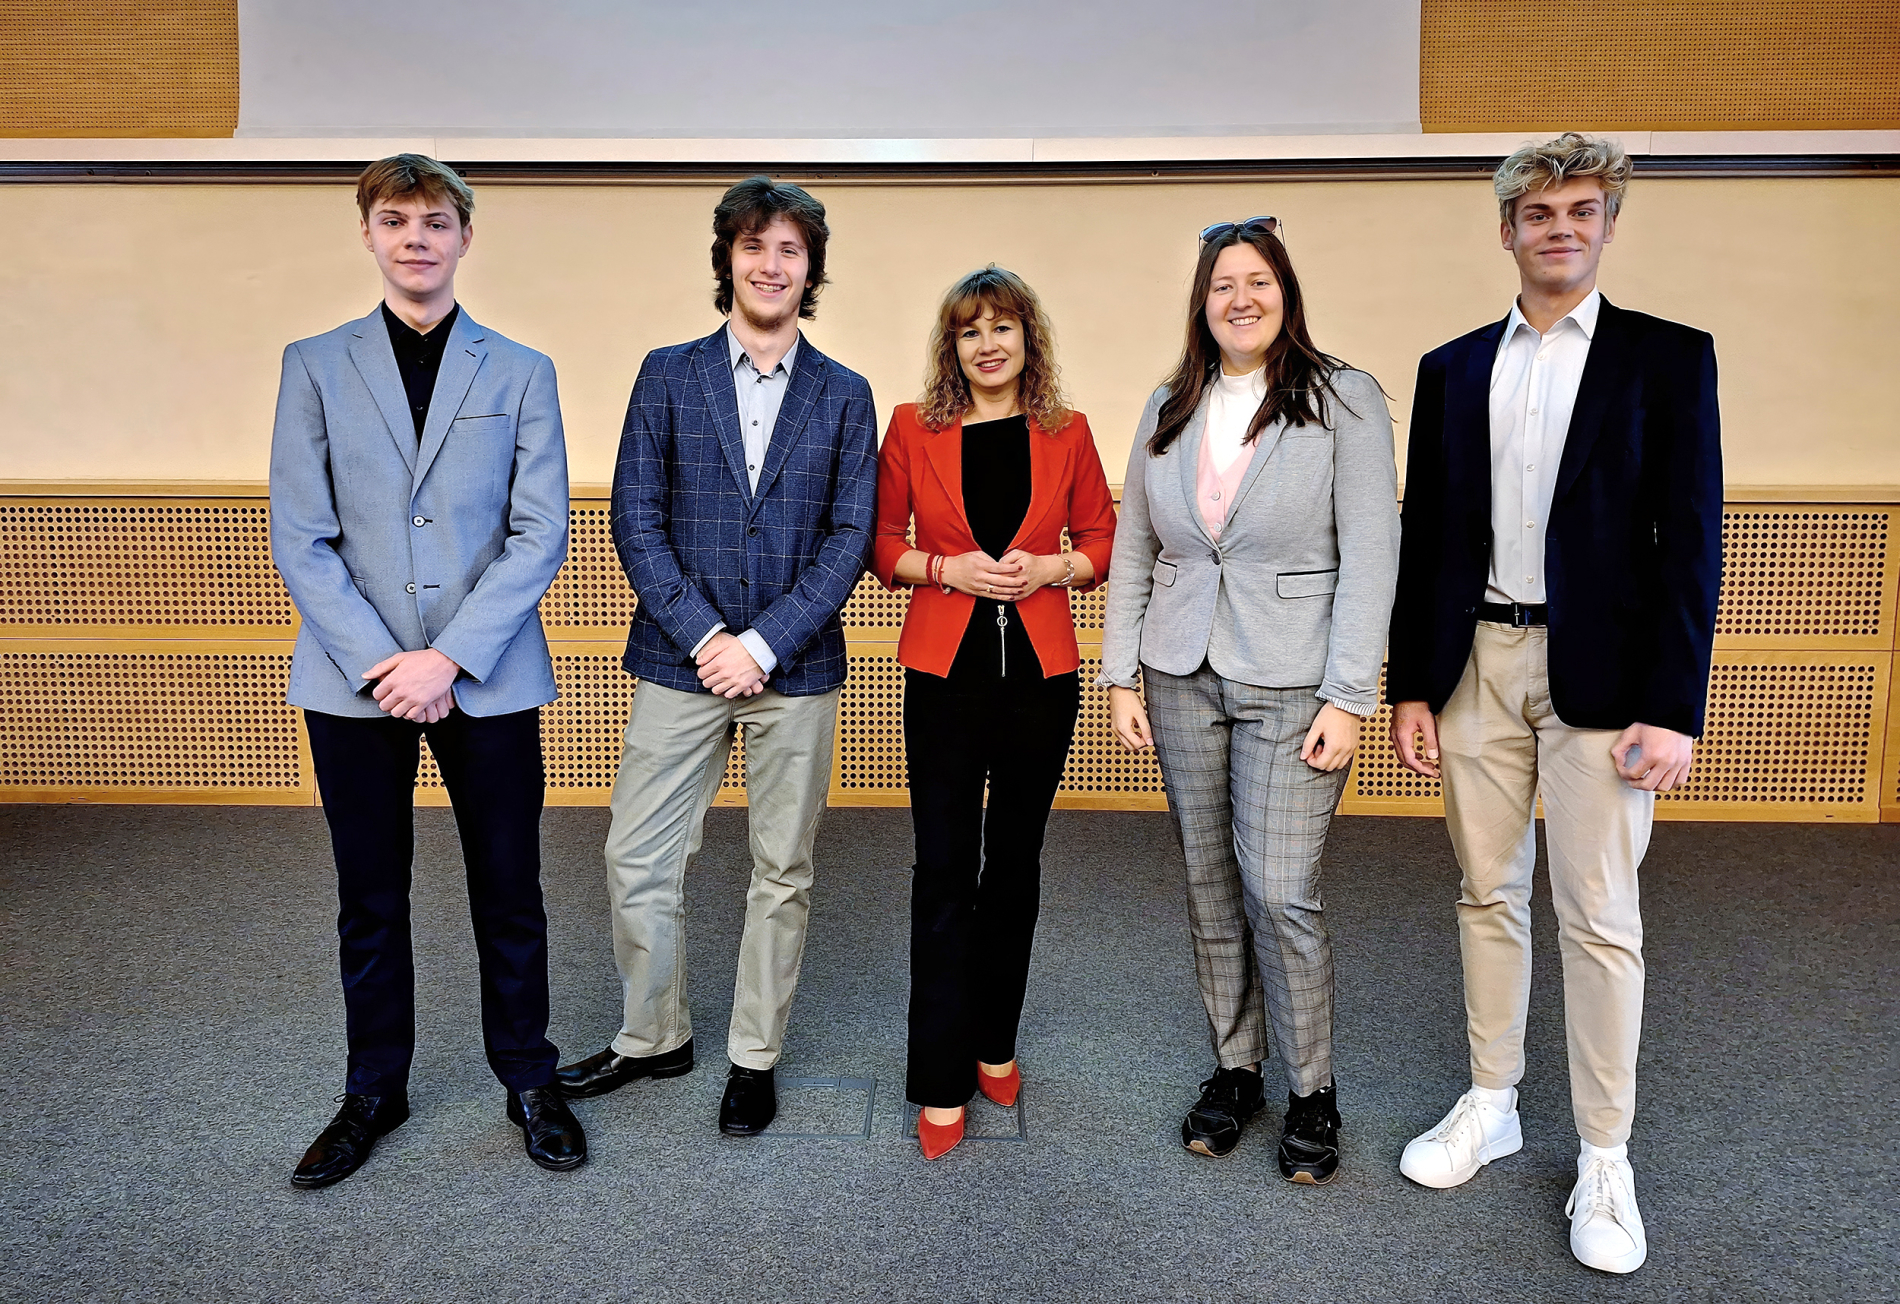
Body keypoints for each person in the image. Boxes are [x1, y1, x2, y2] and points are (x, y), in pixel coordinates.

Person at [1386, 133, 1722, 1275]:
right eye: (1539, 213)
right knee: (1487, 890)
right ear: (1508, 230)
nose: (1561, 227)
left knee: (1597, 916)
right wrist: (1414, 684)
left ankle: (1605, 1153)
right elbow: (1424, 534)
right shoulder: (1451, 366)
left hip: (1607, 686)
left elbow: (1692, 544)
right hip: (1477, 663)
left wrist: (1675, 706)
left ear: (1608, 224)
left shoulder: (1668, 361)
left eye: (1582, 209)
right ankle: (1493, 1098)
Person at [270, 153, 583, 1187]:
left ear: (464, 236)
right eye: (395, 219)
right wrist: (382, 664)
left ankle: (528, 1075)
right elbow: (301, 534)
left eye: (435, 220)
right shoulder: (313, 363)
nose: (416, 236)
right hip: (352, 679)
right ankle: (373, 1088)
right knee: (370, 892)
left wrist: (447, 656)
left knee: (509, 886)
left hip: (485, 672)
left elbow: (540, 530)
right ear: (366, 232)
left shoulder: (521, 368)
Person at [556, 177, 877, 1137]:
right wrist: (708, 638)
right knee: (638, 857)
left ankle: (754, 1056)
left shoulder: (846, 394)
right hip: (677, 658)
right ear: (727, 260)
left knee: (782, 868)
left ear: (810, 268)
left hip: (797, 667)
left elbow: (849, 536)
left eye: (788, 250)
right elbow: (635, 518)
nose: (770, 265)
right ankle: (654, 1036)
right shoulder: (667, 373)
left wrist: (767, 642)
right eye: (753, 247)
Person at [1101, 217, 1399, 1184]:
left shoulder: (1344, 400)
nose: (1240, 297)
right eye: (1223, 283)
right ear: (1202, 299)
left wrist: (1352, 693)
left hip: (1297, 680)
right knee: (1209, 885)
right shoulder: (1168, 402)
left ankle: (1314, 1089)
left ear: (1285, 290)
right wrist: (1120, 673)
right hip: (1181, 671)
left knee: (1281, 891)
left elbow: (1371, 560)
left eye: (1257, 280)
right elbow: (1138, 547)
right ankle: (1237, 1068)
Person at [873, 267, 1118, 1160]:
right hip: (944, 675)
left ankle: (994, 1041)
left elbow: (1101, 540)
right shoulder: (912, 427)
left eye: (1004, 327)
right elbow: (881, 543)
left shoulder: (1069, 432)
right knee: (943, 872)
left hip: (1043, 680)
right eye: (972, 329)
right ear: (954, 344)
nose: (989, 344)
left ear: (1028, 339)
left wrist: (1053, 571)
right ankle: (940, 1079)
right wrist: (948, 572)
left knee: (1014, 864)